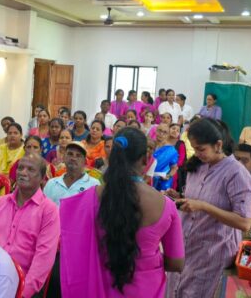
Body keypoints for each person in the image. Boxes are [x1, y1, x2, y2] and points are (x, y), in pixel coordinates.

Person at [60, 127, 184, 297]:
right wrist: (147, 259)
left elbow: (74, 248)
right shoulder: (166, 205)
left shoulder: (87, 199)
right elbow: (177, 263)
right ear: (145, 159)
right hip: (146, 289)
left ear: (112, 157)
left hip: (99, 287)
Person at [166, 119, 251, 298]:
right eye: (194, 148)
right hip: (186, 246)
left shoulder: (236, 173)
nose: (197, 154)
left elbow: (244, 222)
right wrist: (180, 197)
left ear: (218, 145)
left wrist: (204, 207)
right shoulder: (198, 166)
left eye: (201, 149)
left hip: (212, 253)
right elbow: (199, 198)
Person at [0, 155, 60, 298]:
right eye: (20, 168)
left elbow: (43, 259)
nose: (23, 172)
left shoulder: (49, 210)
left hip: (23, 284)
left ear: (42, 178)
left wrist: (22, 293)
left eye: (30, 169)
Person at [43, 141, 100, 207]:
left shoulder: (93, 185)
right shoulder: (51, 184)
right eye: (70, 154)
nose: (73, 158)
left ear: (84, 161)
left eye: (78, 155)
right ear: (64, 158)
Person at [148, 124, 178, 191]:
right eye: (160, 130)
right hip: (146, 178)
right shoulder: (149, 144)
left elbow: (174, 168)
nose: (161, 134)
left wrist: (168, 176)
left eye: (165, 132)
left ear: (168, 135)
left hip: (161, 183)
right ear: (156, 131)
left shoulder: (171, 150)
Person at [168, 123, 187, 190]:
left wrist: (171, 166)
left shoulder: (180, 144)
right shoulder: (163, 141)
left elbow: (181, 160)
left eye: (177, 130)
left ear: (179, 134)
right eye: (173, 128)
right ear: (168, 129)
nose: (175, 131)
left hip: (174, 169)